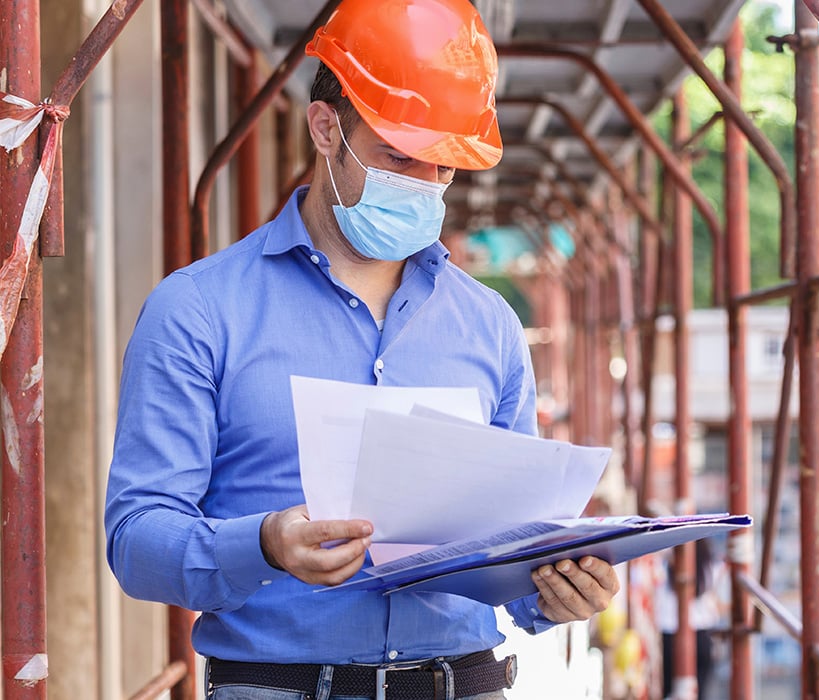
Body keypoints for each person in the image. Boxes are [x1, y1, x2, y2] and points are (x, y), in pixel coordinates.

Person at [104, 1, 619, 698]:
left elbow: (516, 547)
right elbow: (137, 541)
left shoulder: (490, 325)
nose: (423, 185)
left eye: (443, 166)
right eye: (398, 156)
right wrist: (263, 545)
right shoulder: (198, 310)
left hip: (466, 682)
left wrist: (560, 588)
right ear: (325, 128)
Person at [655, 538, 728, 700]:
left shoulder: (666, 565)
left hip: (669, 636)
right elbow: (719, 605)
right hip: (702, 636)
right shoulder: (710, 568)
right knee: (698, 694)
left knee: (668, 692)